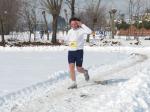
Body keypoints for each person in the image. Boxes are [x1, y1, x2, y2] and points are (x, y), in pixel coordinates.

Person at [63, 17, 92, 89]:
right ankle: (74, 83)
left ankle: (85, 72)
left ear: (77, 24)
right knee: (71, 67)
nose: (73, 25)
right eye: (72, 24)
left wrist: (82, 24)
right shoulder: (70, 31)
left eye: (75, 24)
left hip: (79, 51)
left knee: (79, 69)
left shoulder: (81, 30)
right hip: (71, 52)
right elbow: (66, 39)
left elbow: (90, 32)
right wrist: (63, 40)